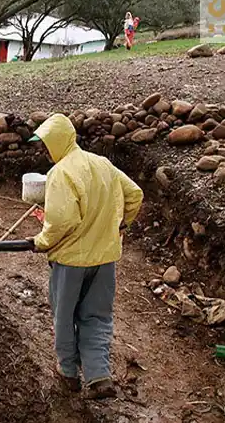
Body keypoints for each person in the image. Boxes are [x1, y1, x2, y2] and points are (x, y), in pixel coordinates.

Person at [26, 114, 144, 399]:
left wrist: (40, 242)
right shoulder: (102, 164)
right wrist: (121, 225)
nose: (43, 150)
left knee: (64, 316)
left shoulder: (60, 173)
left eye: (45, 144)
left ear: (56, 142)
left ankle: (68, 373)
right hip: (104, 260)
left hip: (71, 263)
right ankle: (98, 375)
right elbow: (135, 195)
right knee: (96, 316)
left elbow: (62, 222)